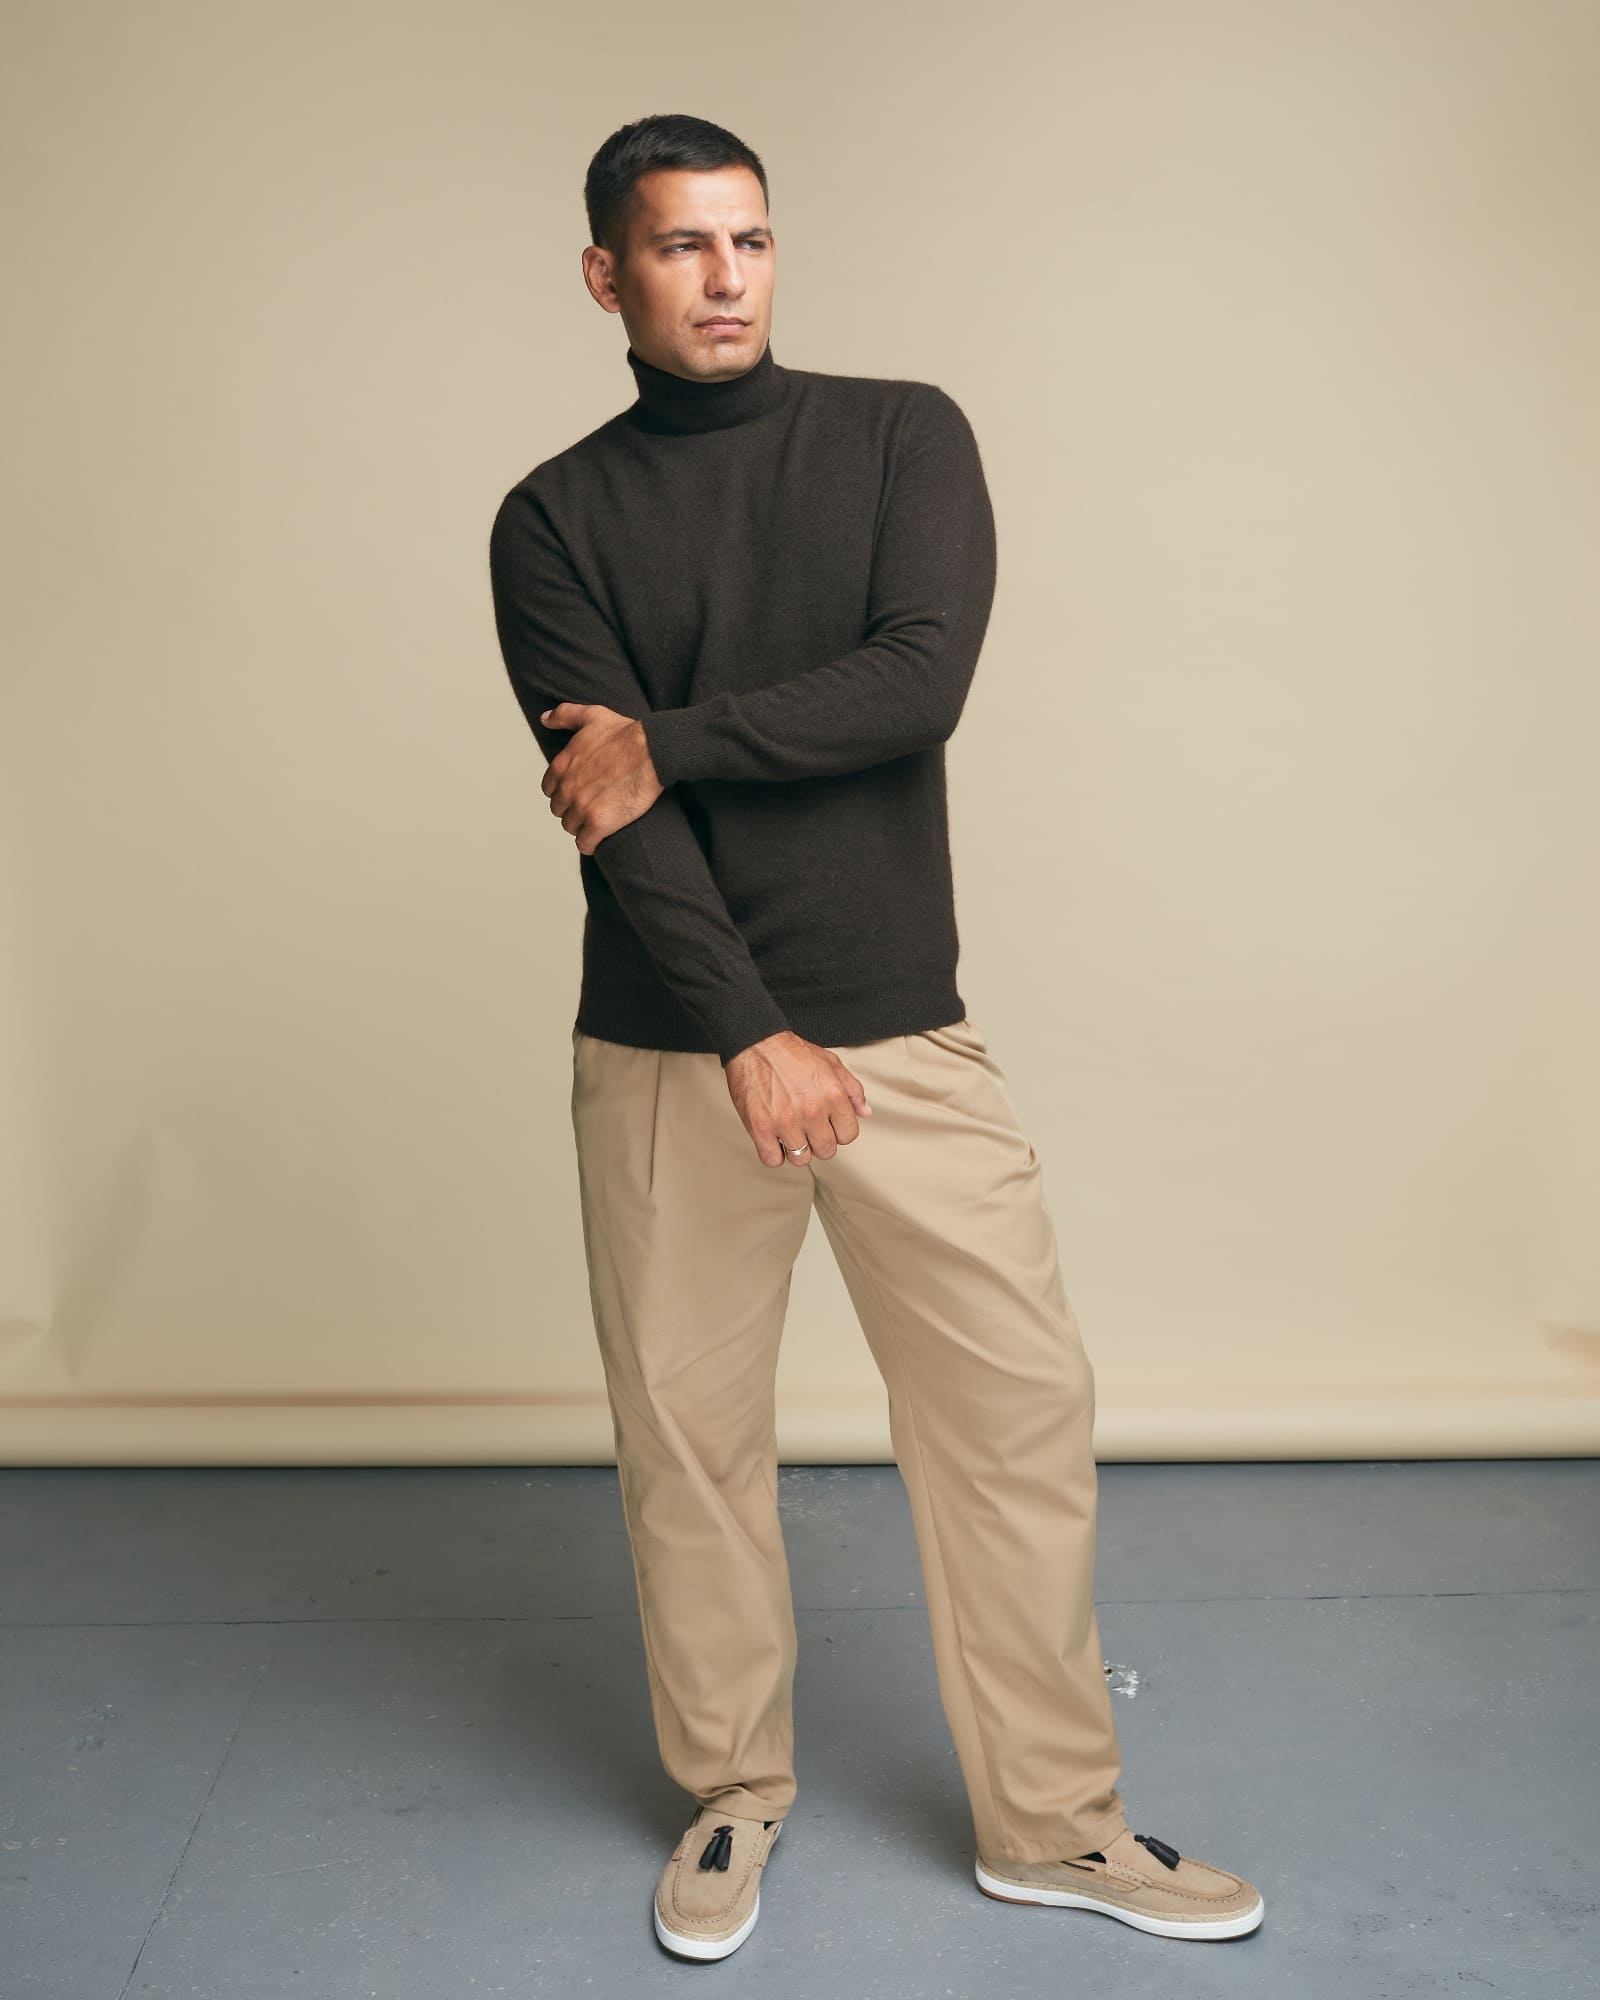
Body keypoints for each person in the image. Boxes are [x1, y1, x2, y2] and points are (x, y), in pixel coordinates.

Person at [487, 111, 1264, 1963]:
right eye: (679, 245)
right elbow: (613, 821)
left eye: (748, 239)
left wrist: (674, 734)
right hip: (674, 1042)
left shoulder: (904, 434)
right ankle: (731, 1793)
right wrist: (750, 1031)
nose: (724, 276)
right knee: (689, 1444)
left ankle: (1056, 1823)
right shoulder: (551, 519)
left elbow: (918, 682)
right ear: (605, 274)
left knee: (1015, 1414)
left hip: (902, 1030)